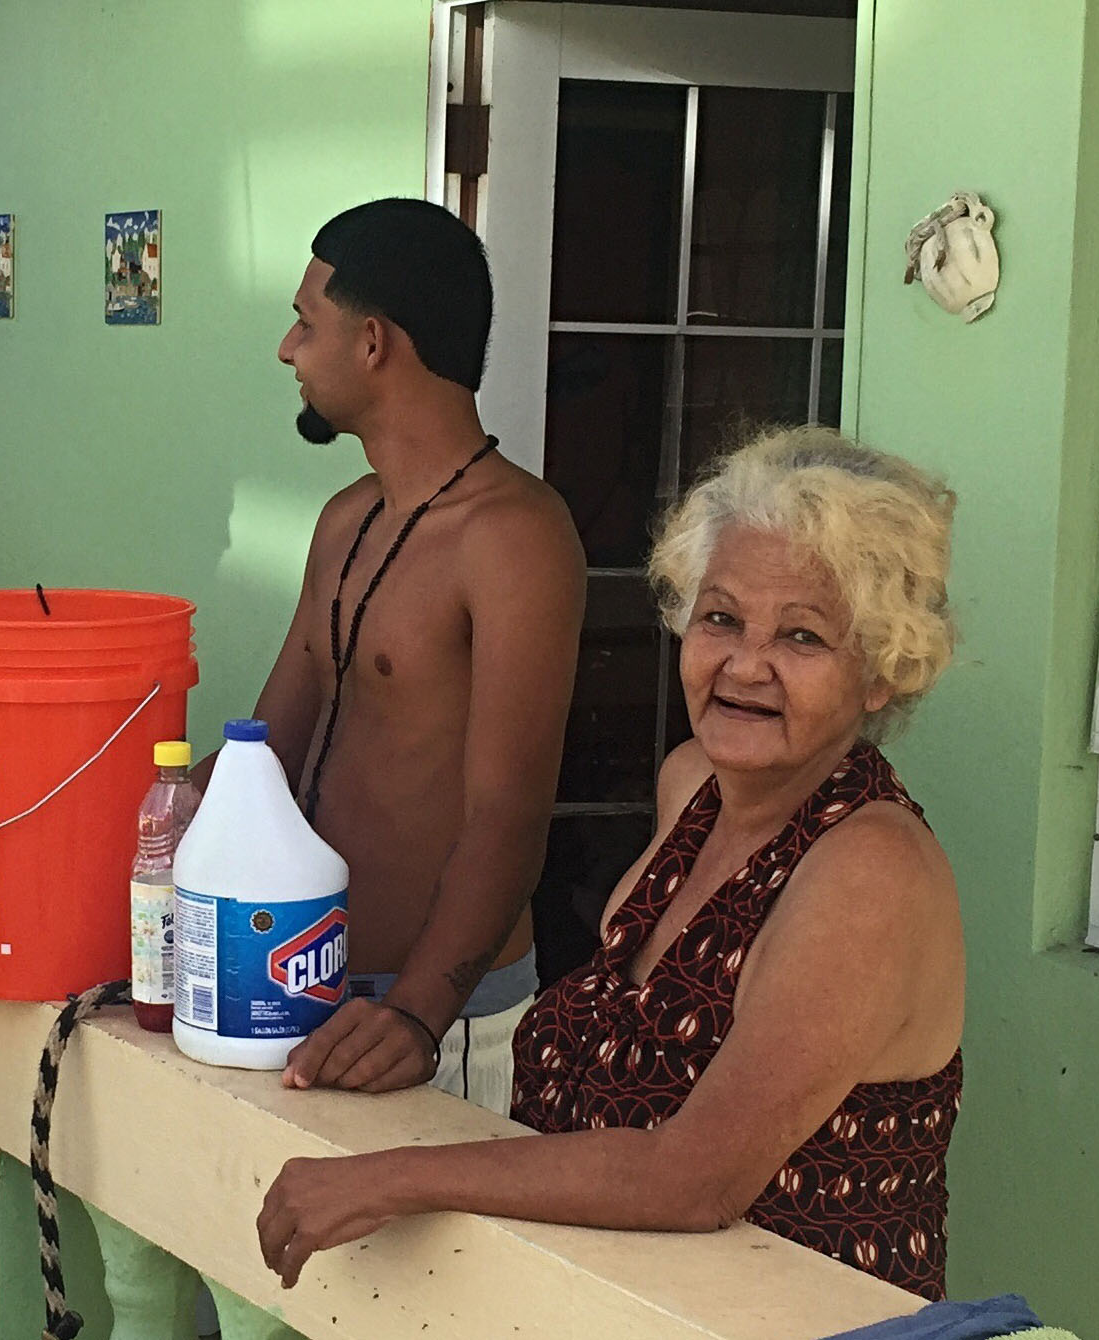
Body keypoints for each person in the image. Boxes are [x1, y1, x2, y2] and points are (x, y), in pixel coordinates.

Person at [257, 425, 967, 1300]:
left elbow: (691, 1179)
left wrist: (388, 1178)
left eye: (804, 638)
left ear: (880, 673)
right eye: (720, 618)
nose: (745, 664)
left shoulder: (868, 873)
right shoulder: (691, 789)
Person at [103, 198, 585, 1340]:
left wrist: (419, 1011)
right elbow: (262, 746)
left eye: (303, 320)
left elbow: (510, 818)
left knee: (403, 1320)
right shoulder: (346, 515)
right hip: (286, 990)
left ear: (373, 342)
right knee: (261, 1295)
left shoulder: (517, 535)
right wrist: (116, 861)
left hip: (428, 1016)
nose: (288, 348)